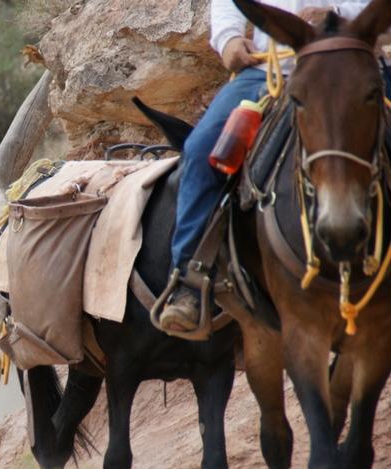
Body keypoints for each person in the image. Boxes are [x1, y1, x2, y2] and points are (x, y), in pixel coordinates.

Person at [158, 0, 372, 333]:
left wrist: (335, 15)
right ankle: (189, 279)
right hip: (267, 70)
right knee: (201, 151)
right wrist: (228, 39)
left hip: (347, 66)